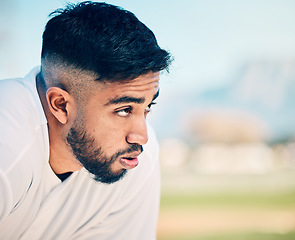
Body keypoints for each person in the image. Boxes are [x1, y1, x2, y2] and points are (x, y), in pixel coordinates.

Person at [0, 1, 171, 239]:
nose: (141, 136)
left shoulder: (137, 158)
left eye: (147, 106)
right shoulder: (6, 142)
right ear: (60, 105)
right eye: (123, 110)